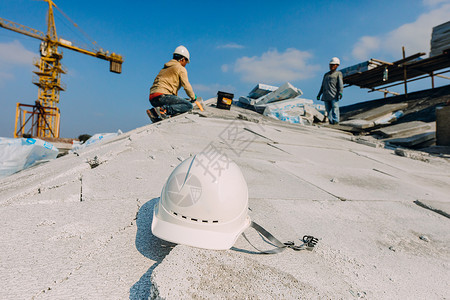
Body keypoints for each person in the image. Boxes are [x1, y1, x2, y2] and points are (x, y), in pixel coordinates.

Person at [147, 45, 196, 122]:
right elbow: (186, 86)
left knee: (178, 102)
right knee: (188, 105)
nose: (186, 64)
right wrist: (193, 97)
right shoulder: (180, 68)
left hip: (153, 98)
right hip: (163, 97)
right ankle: (164, 110)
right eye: (186, 61)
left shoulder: (165, 68)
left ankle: (154, 113)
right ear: (183, 59)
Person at [317, 57, 343, 124]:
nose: (331, 66)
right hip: (326, 95)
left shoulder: (338, 73)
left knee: (335, 108)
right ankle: (331, 122)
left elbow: (340, 84)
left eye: (333, 65)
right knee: (328, 110)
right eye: (330, 65)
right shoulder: (326, 75)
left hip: (334, 95)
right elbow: (322, 85)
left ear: (337, 65)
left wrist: (340, 92)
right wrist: (319, 94)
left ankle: (336, 121)